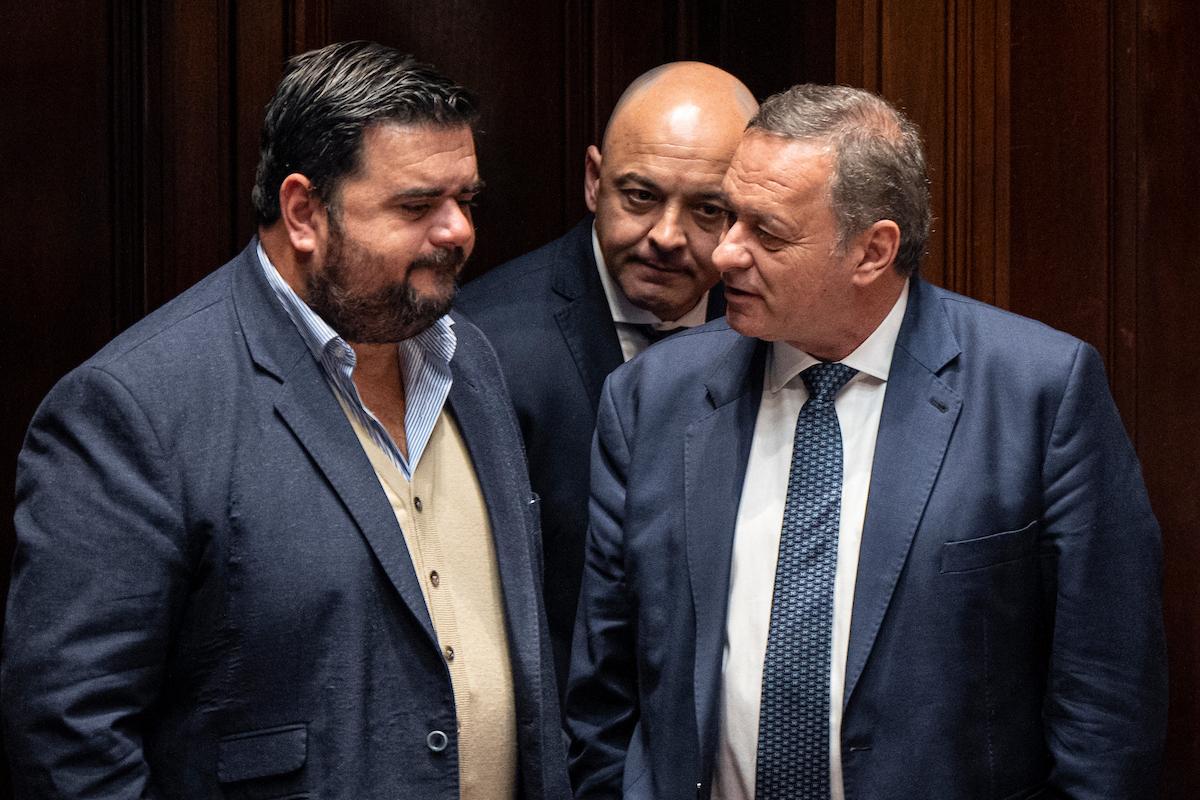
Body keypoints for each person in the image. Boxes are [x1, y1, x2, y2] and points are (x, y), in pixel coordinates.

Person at [565, 84, 1167, 799]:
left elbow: (1106, 701)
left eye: (768, 232)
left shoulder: (1038, 393)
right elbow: (604, 691)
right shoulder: (650, 399)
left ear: (873, 250)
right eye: (728, 217)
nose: (725, 253)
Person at [2, 41, 570, 800]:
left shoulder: (472, 361)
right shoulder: (133, 408)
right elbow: (68, 737)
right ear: (304, 211)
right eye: (416, 205)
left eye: (465, 199)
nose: (458, 231)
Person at [456, 63, 757, 696]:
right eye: (640, 196)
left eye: (709, 210)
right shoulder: (484, 346)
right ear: (594, 180)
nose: (667, 237)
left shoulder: (774, 329)